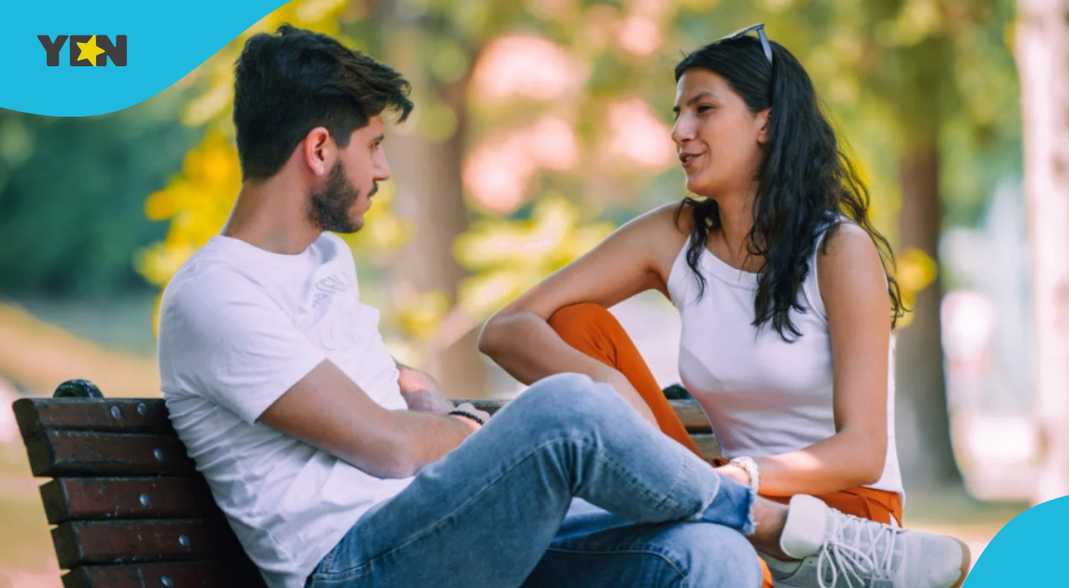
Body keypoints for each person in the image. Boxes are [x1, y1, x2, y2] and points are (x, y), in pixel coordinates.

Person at [157, 25, 968, 588]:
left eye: (703, 110)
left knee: (708, 562)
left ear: (766, 124)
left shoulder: (321, 264)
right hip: (359, 566)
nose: (386, 172)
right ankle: (770, 523)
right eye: (375, 147)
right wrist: (479, 431)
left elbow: (395, 395)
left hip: (441, 534)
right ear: (319, 150)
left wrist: (435, 406)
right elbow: (389, 444)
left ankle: (756, 528)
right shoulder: (215, 293)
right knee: (570, 411)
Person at [480, 24, 969, 587]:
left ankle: (744, 522)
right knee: (573, 324)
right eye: (677, 113)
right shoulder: (674, 235)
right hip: (716, 492)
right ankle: (730, 517)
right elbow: (507, 328)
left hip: (834, 513)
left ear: (767, 121)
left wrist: (742, 477)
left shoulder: (838, 250)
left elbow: (862, 451)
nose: (679, 131)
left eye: (703, 109)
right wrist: (605, 388)